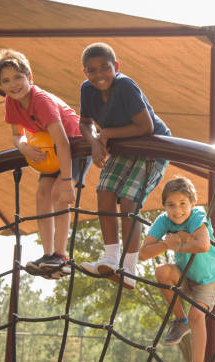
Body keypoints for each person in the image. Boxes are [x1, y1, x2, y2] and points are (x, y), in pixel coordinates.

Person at [0, 49, 91, 278]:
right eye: (6, 81)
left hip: (76, 146)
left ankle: (61, 255)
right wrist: (23, 146)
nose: (14, 85)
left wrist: (66, 181)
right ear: (1, 85)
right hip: (51, 149)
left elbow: (64, 142)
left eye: (18, 77)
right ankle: (48, 255)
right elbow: (17, 135)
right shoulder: (11, 102)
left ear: (30, 78)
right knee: (41, 194)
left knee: (58, 193)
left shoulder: (41, 101)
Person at [78, 42, 170, 289]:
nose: (98, 75)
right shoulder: (87, 90)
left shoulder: (125, 86)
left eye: (104, 68)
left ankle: (129, 268)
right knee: (105, 192)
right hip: (123, 146)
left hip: (152, 147)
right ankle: (110, 257)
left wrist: (105, 133)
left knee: (129, 201)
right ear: (85, 72)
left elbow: (146, 127)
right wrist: (95, 143)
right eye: (91, 70)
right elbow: (84, 123)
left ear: (116, 67)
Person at [139, 177, 215, 362]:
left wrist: (178, 243)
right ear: (165, 206)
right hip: (184, 275)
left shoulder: (197, 215)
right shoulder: (163, 221)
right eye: (171, 205)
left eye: (182, 203)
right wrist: (168, 243)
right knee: (162, 272)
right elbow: (143, 254)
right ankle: (180, 320)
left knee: (198, 315)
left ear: (192, 203)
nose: (177, 210)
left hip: (208, 278)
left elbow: (203, 245)